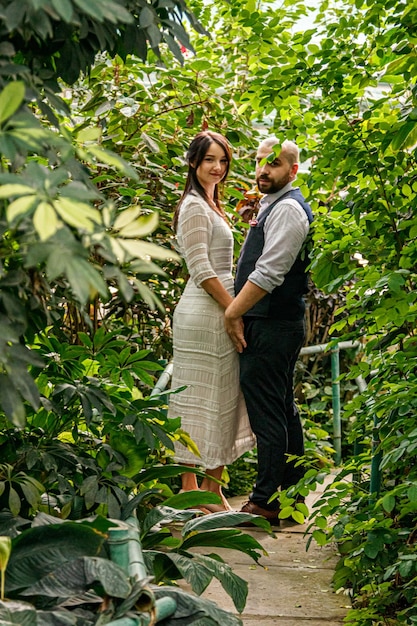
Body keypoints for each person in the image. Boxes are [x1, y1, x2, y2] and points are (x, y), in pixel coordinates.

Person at [224, 137, 314, 524]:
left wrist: (232, 313)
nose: (263, 170)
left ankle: (264, 501)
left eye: (273, 164)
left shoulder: (289, 209)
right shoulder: (271, 205)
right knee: (280, 408)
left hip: (272, 323)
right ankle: (290, 500)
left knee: (268, 414)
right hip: (273, 322)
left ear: (293, 171)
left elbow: (270, 273)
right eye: (260, 162)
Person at [168, 130, 255, 512]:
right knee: (194, 398)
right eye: (209, 160)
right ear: (193, 162)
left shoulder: (209, 203)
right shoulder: (192, 206)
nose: (217, 168)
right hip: (205, 311)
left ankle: (212, 488)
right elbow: (201, 268)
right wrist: (233, 310)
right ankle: (190, 489)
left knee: (222, 397)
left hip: (219, 307)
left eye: (223, 161)